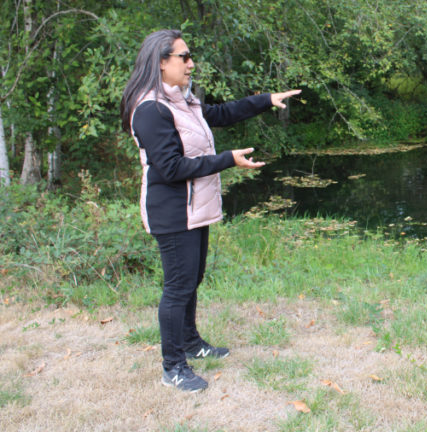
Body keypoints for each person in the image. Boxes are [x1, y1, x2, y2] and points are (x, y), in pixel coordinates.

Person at [120, 29, 301, 393]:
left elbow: (220, 113)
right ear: (161, 62)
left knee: (192, 280)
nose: (191, 63)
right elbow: (170, 169)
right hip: (172, 212)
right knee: (177, 287)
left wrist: (266, 99)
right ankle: (172, 367)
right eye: (183, 57)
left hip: (194, 208)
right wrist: (227, 161)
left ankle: (190, 342)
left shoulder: (180, 100)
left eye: (190, 56)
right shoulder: (150, 109)